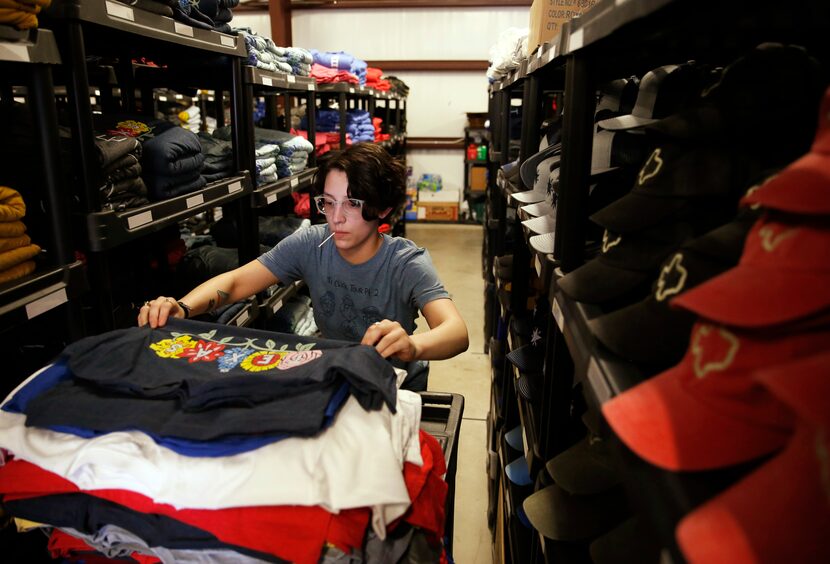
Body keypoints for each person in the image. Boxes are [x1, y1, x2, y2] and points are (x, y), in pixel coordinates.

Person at [138, 143, 469, 391]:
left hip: (396, 387)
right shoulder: (313, 243)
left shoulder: (404, 262)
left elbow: (456, 331)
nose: (336, 217)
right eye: (328, 202)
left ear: (382, 208)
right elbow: (238, 281)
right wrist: (182, 308)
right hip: (337, 376)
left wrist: (413, 346)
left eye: (352, 204)